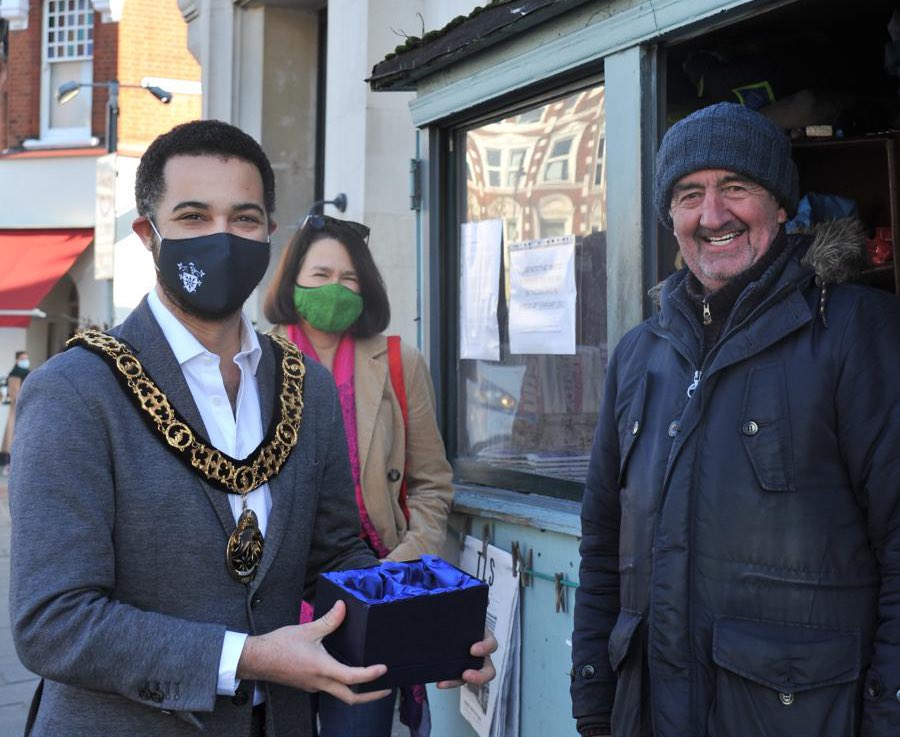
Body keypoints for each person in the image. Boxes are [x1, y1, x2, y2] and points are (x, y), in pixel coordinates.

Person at [9, 119, 495, 737]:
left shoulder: (303, 385)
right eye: (192, 216)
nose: (221, 237)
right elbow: (53, 622)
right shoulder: (76, 391)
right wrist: (248, 657)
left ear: (269, 232)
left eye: (243, 218)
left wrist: (425, 625)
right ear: (147, 234)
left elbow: (336, 554)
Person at [571, 102, 900, 737]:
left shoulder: (855, 332)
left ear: (780, 206)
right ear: (671, 217)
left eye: (737, 188)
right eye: (690, 194)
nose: (713, 215)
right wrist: (594, 701)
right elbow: (601, 544)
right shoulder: (640, 354)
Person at [263, 214, 455, 737]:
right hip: (276, 606)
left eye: (349, 279)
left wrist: (399, 571)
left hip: (375, 592)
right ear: (292, 281)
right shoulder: (253, 359)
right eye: (321, 274)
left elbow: (433, 481)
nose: (335, 289)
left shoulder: (398, 361)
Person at [0, 350, 29, 476]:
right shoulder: (15, 374)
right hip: (17, 410)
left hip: (24, 410)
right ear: (17, 360)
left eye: (27, 358)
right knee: (13, 438)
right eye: (23, 358)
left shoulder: (26, 372)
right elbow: (14, 394)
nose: (26, 361)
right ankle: (8, 465)